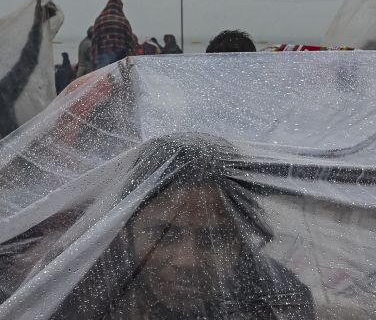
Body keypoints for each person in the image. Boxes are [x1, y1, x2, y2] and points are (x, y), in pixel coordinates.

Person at [49, 134, 315, 319]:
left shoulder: (278, 300)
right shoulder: (76, 288)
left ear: (241, 235)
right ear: (125, 228)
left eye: (216, 238)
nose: (189, 261)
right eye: (164, 234)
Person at [91, 0, 137, 69]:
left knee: (105, 79)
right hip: (121, 59)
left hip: (103, 58)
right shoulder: (123, 21)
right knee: (119, 79)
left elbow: (94, 42)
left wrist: (94, 61)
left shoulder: (99, 20)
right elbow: (131, 42)